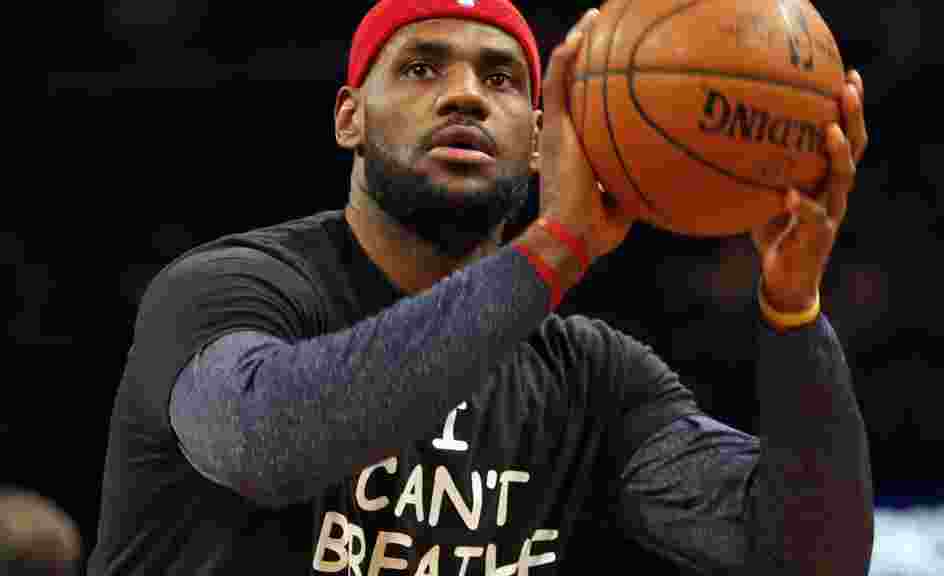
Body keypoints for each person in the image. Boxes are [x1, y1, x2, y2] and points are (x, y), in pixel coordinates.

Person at [87, 0, 874, 574]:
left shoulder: (592, 378)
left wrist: (794, 310)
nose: (464, 93)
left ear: (540, 141)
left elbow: (806, 558)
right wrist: (557, 247)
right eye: (422, 67)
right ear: (349, 118)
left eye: (500, 78)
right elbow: (267, 445)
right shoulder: (228, 291)